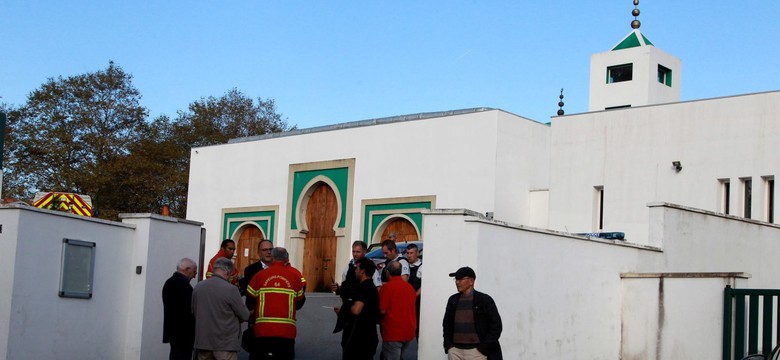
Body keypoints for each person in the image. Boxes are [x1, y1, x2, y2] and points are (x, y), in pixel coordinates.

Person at [246, 247, 305, 360]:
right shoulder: (294, 277)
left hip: (262, 331)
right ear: (286, 259)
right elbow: (300, 301)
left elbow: (250, 297)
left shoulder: (259, 275)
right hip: (286, 332)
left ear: (272, 257)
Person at [192, 257, 249, 360]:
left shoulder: (198, 287)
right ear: (228, 272)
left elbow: (194, 311)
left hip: (203, 343)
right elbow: (244, 315)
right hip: (225, 344)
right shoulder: (231, 289)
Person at [442, 267, 503, 360]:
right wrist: (449, 346)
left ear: (471, 281)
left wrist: (483, 348)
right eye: (456, 279)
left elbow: (496, 326)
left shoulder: (484, 300)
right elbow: (446, 324)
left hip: (476, 352)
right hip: (455, 352)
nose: (457, 282)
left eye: (461, 279)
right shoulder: (453, 300)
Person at [330, 241, 382, 333]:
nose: (355, 254)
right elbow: (345, 288)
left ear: (364, 252)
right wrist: (338, 289)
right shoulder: (348, 268)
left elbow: (377, 289)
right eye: (353, 251)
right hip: (349, 314)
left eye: (358, 252)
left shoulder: (370, 268)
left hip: (365, 315)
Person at [336, 257, 380, 360]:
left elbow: (356, 310)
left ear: (362, 271)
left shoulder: (364, 287)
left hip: (359, 337)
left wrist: (344, 310)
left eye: (357, 268)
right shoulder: (372, 287)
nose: (355, 270)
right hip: (369, 335)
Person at [378, 261, 417, 360]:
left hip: (393, 332)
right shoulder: (409, 288)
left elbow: (382, 310)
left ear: (387, 272)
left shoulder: (387, 288)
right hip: (408, 331)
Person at [162, 258, 197, 360]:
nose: (195, 276)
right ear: (187, 269)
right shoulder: (184, 286)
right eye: (194, 272)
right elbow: (190, 310)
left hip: (174, 332)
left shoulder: (169, 282)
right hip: (184, 334)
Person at [405, 243, 423, 338]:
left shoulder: (422, 266)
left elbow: (424, 284)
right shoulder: (405, 266)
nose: (409, 255)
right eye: (408, 253)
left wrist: (415, 295)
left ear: (417, 253)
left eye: (411, 253)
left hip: (417, 302)